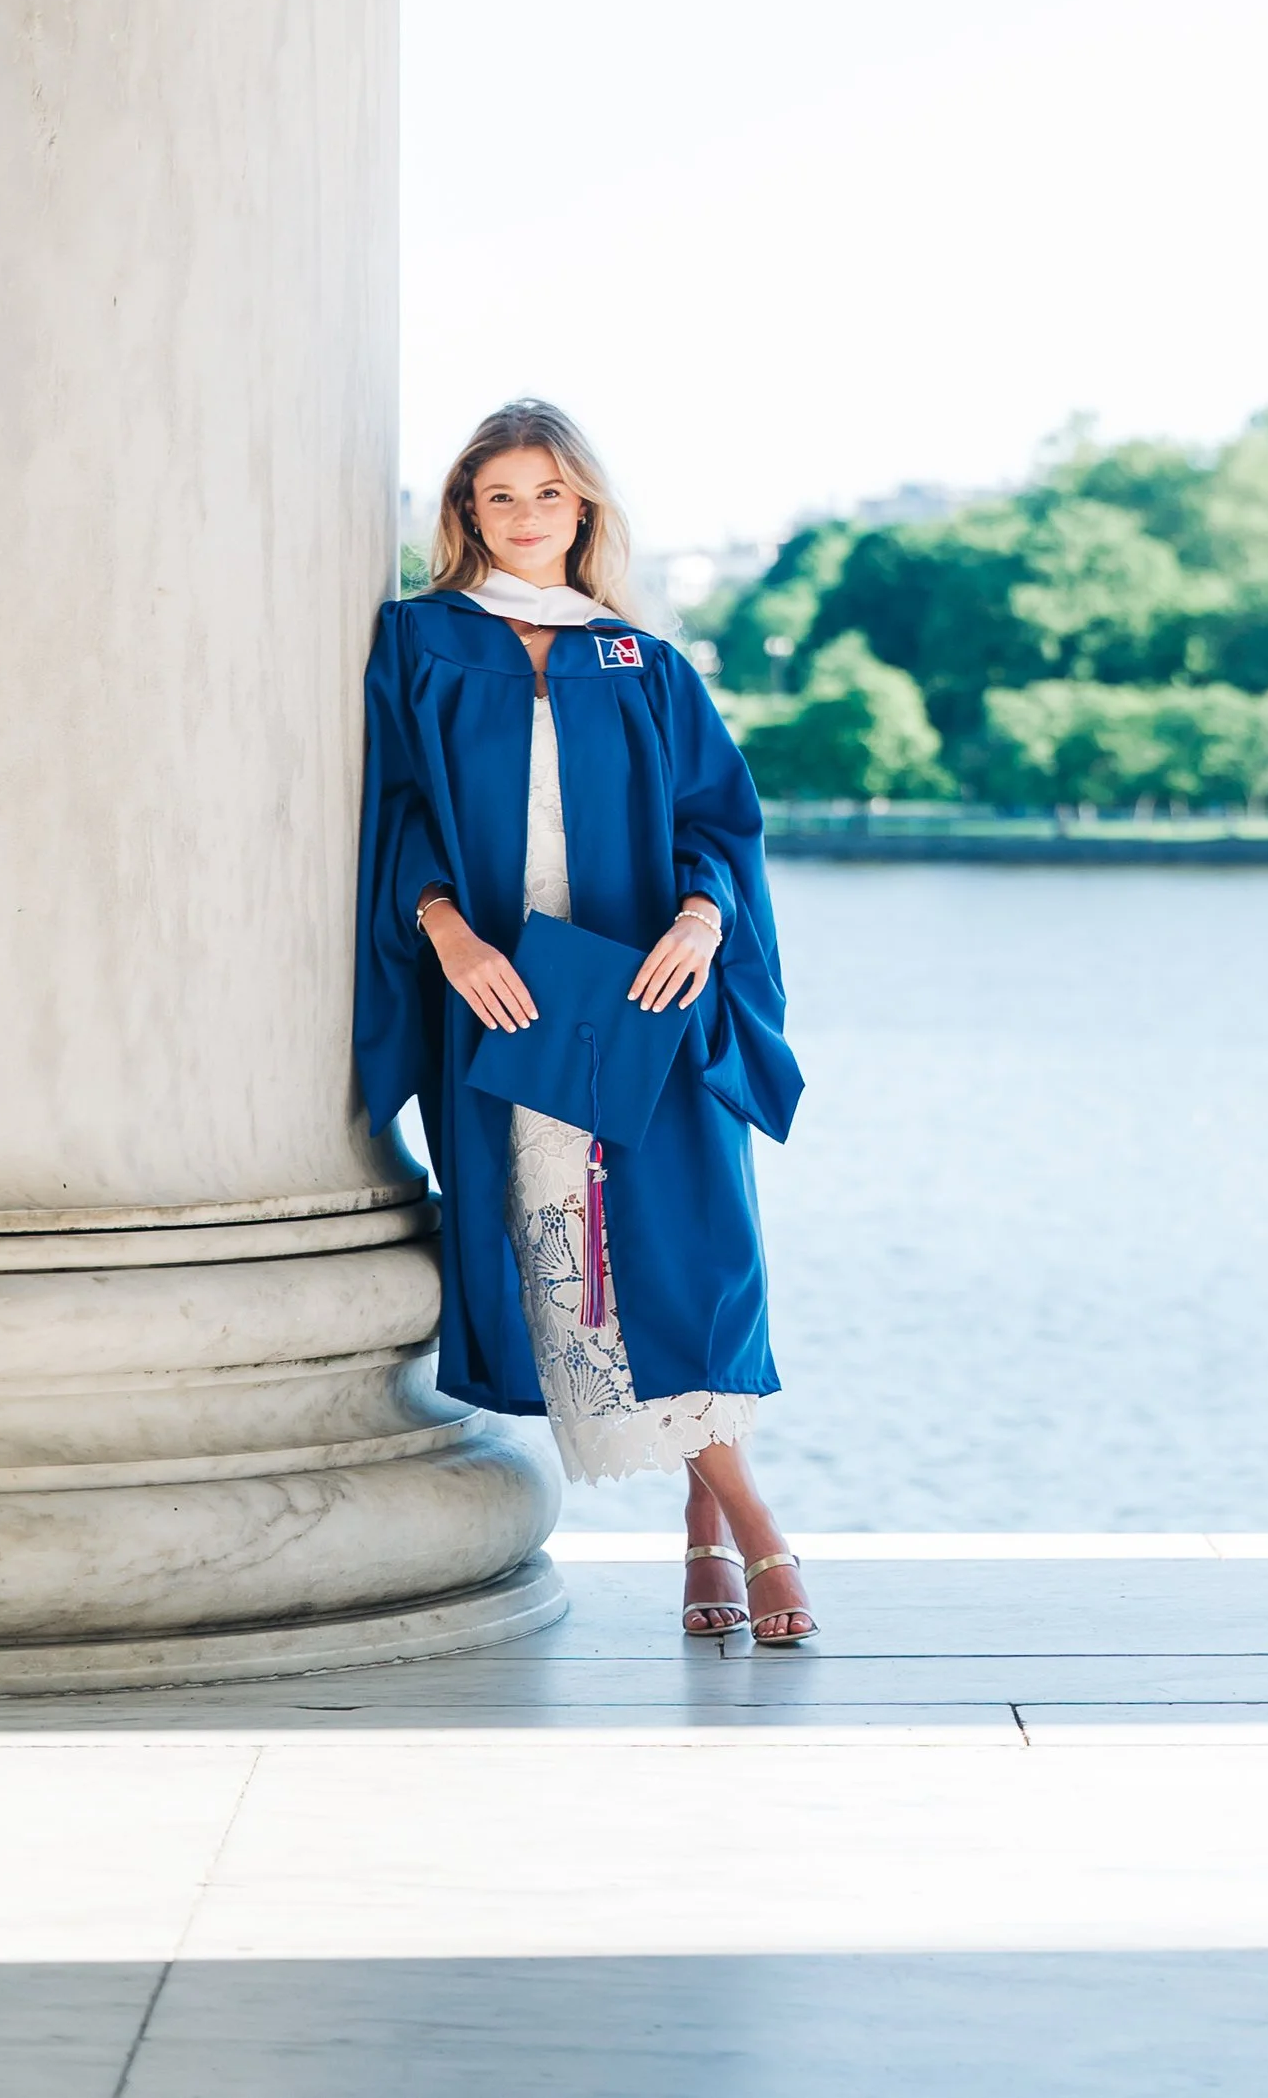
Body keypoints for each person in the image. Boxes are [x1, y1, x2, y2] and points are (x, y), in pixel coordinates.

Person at [354, 398, 815, 1644]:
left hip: (644, 998)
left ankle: (710, 1530)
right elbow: (389, 814)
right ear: (464, 513)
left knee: (687, 1262)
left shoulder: (644, 664)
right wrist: (443, 933)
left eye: (545, 494)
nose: (522, 518)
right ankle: (755, 1534)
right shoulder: (421, 644)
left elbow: (718, 828)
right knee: (576, 1273)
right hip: (508, 998)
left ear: (584, 509)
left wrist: (704, 924)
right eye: (496, 496)